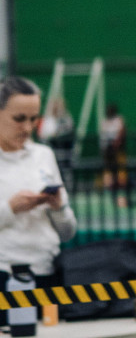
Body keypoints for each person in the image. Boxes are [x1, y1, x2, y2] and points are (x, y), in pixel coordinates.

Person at [0, 76, 76, 327]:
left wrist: (59, 208)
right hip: (5, 278)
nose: (28, 127)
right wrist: (10, 209)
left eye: (34, 119)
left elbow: (67, 233)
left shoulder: (44, 156)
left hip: (48, 275)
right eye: (19, 118)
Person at [99, 103, 127, 207]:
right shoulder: (105, 122)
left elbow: (121, 132)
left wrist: (116, 144)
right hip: (107, 151)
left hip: (117, 150)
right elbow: (102, 136)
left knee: (120, 171)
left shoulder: (119, 120)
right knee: (109, 171)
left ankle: (122, 192)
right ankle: (110, 189)